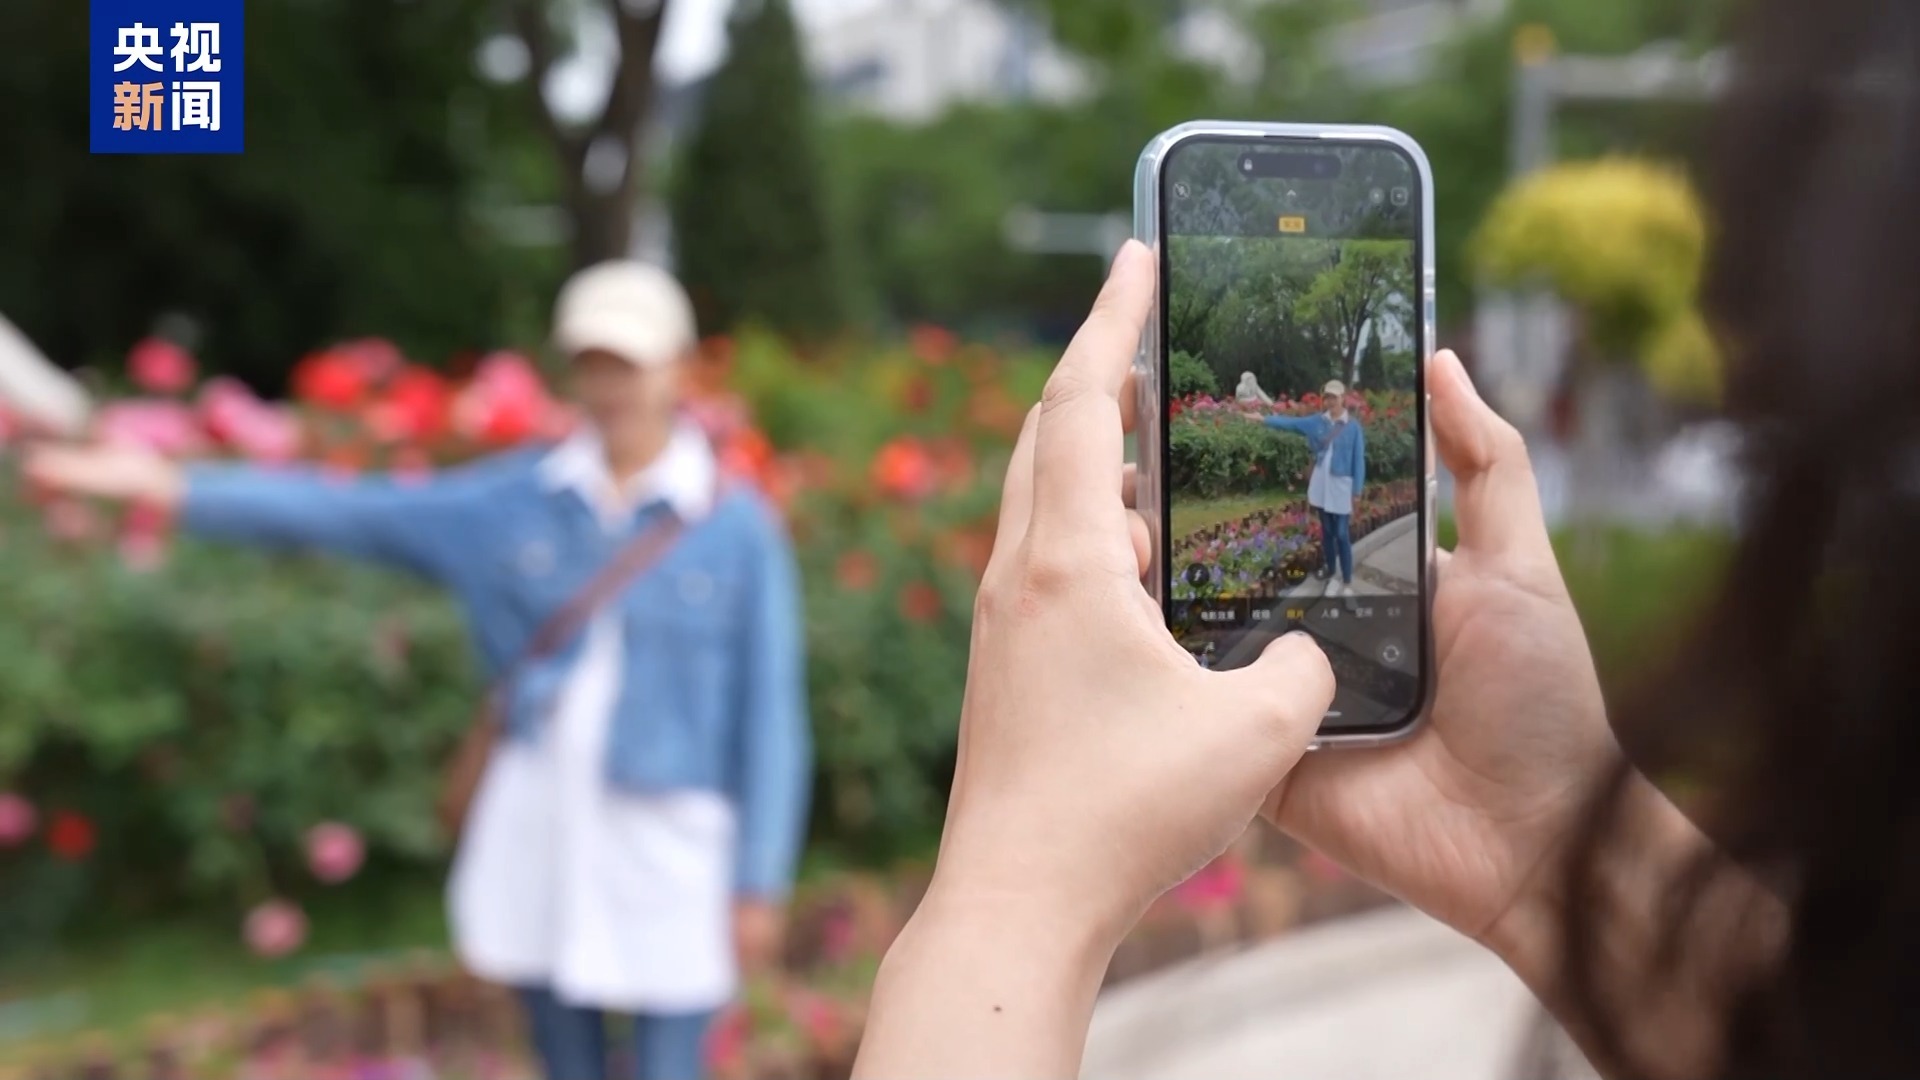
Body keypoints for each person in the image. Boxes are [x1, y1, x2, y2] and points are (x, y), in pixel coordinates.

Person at [857, 0, 1918, 1053]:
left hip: (1331, 520)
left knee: (1326, 561)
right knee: (1324, 557)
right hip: (1343, 543)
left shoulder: (1353, 429)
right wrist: (1540, 833)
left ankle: (1317, 610)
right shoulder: (1331, 422)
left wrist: (1015, 893)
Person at [25, 263, 812, 1080]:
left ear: (679, 366)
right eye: (594, 362)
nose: (612, 385)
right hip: (540, 822)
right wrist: (171, 485)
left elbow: (769, 715)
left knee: (668, 1061)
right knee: (561, 1053)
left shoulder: (734, 526)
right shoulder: (513, 503)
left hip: (668, 836)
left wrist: (760, 879)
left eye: (631, 362)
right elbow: (348, 513)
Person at [1254, 379, 1366, 597]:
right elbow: (1291, 423)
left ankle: (1347, 579)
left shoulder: (1353, 427)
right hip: (1321, 485)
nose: (1331, 401)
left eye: (1335, 397)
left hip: (1342, 486)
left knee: (1342, 533)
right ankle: (1332, 571)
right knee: (1327, 532)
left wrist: (1358, 490)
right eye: (1328, 397)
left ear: (1343, 398)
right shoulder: (1318, 422)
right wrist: (1263, 419)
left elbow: (1358, 460)